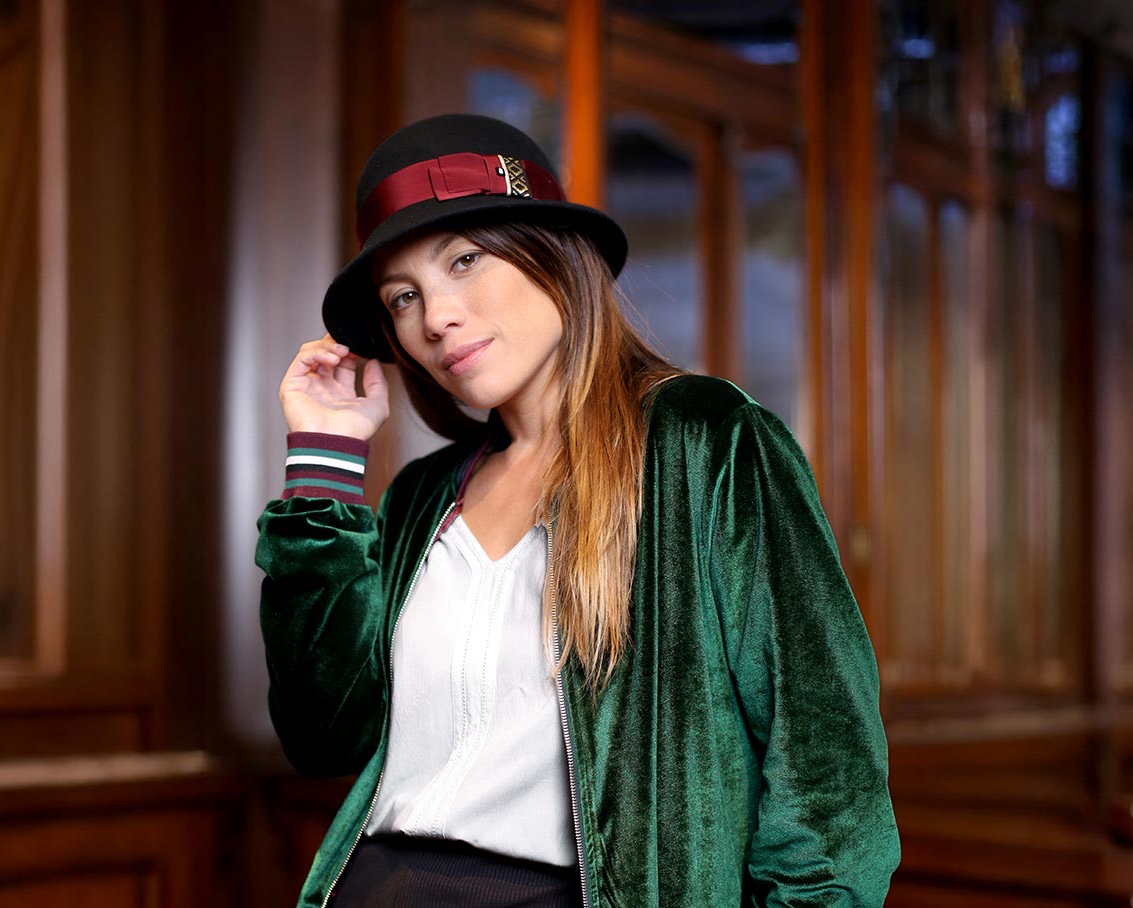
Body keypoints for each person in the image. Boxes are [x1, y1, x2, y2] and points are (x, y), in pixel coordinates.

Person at [256, 113, 899, 907]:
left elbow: (828, 770)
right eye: (403, 297)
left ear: (552, 253)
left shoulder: (707, 444)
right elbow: (322, 737)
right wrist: (324, 460)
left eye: (464, 260)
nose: (436, 317)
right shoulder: (422, 497)